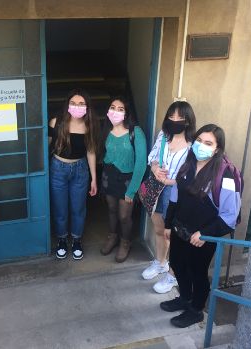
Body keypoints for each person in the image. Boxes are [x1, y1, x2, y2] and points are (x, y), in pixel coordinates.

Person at [160, 124, 241, 328]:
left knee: (197, 272)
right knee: (177, 265)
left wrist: (205, 234)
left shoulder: (226, 174)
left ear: (217, 148)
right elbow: (175, 198)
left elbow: (230, 215)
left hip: (202, 237)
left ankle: (196, 310)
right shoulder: (188, 163)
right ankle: (185, 298)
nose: (201, 146)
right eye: (199, 141)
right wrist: (168, 224)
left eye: (208, 143)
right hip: (180, 230)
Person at [141, 101, 196, 294]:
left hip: (177, 193)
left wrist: (172, 182)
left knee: (173, 234)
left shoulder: (193, 146)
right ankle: (160, 262)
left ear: (188, 121)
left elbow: (193, 175)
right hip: (157, 189)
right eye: (171, 117)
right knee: (158, 229)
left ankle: (173, 274)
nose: (174, 121)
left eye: (180, 118)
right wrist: (155, 168)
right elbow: (154, 156)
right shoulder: (163, 136)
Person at [48, 89, 98, 260]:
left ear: (87, 107)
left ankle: (76, 240)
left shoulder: (89, 124)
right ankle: (61, 240)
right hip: (58, 168)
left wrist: (94, 179)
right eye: (73, 103)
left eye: (81, 104)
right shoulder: (56, 122)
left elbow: (91, 151)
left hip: (80, 169)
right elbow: (45, 146)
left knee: (78, 208)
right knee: (60, 208)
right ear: (67, 105)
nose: (77, 107)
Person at [100, 97, 146, 262]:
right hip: (108, 176)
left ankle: (125, 242)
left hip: (128, 179)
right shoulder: (106, 129)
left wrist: (133, 190)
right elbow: (104, 153)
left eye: (120, 109)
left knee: (124, 215)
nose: (115, 111)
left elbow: (141, 162)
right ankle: (112, 237)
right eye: (113, 107)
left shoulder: (136, 132)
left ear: (126, 113)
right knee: (111, 209)